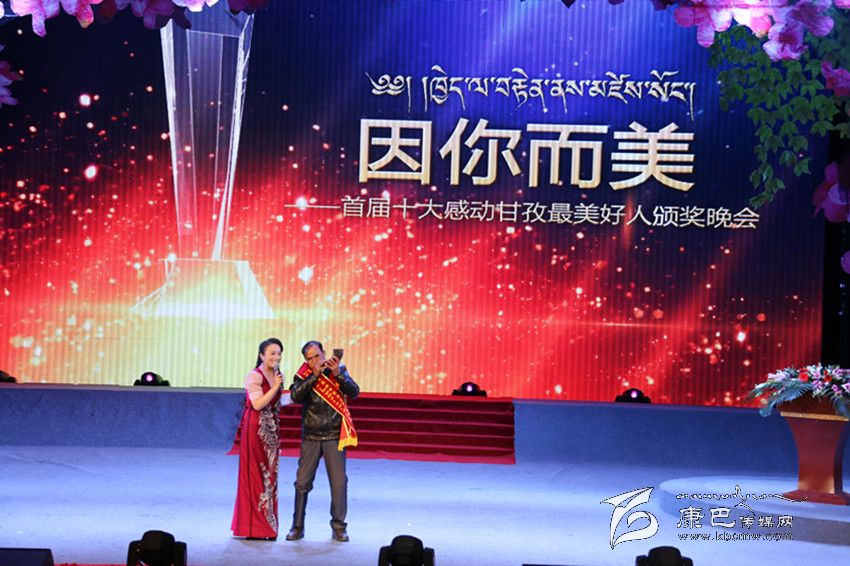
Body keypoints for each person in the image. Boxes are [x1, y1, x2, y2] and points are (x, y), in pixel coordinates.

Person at [286, 340, 359, 542]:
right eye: (310, 358)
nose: (315, 361)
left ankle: (339, 527)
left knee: (339, 484)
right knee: (302, 483)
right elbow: (296, 395)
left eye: (317, 356)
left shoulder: (338, 369)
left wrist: (339, 375)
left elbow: (354, 392)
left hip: (334, 435)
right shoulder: (303, 374)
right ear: (306, 360)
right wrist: (314, 376)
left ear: (324, 353)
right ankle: (297, 527)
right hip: (311, 436)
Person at [231, 337, 284, 540]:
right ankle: (254, 528)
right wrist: (275, 387)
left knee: (270, 477)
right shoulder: (255, 375)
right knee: (256, 476)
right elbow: (258, 404)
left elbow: (275, 403)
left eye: (279, 353)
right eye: (272, 353)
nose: (276, 357)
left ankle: (267, 527)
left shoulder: (277, 375)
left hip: (271, 431)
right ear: (262, 355)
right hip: (256, 430)